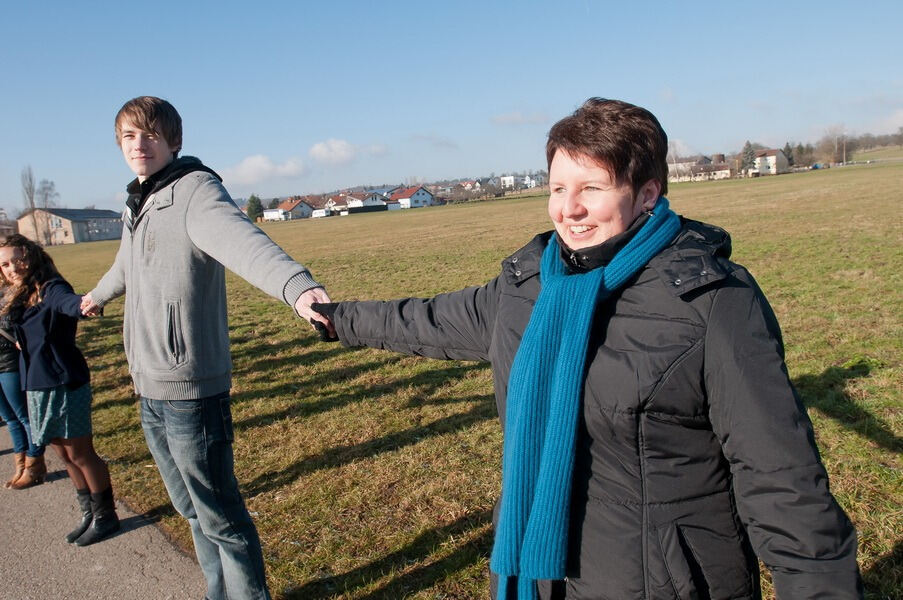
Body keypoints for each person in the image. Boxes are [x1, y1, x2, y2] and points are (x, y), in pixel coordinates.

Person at [311, 99, 863, 599]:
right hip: (537, 570)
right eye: (557, 188)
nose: (567, 209)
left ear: (647, 194)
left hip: (656, 580)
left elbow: (780, 476)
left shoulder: (710, 300)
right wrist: (339, 319)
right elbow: (427, 321)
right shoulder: (527, 288)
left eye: (592, 189)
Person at [80, 96, 331, 600]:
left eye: (151, 134)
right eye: (129, 136)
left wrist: (297, 287)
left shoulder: (194, 191)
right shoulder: (140, 201)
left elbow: (244, 241)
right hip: (148, 385)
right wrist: (95, 296)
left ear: (174, 142)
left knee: (220, 516)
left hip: (190, 388)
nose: (139, 144)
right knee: (192, 510)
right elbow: (126, 267)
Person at [0, 235, 119, 546]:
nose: (11, 268)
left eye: (16, 260)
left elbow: (68, 303)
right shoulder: (20, 295)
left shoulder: (50, 287)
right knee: (64, 454)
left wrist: (85, 306)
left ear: (31, 256)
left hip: (64, 381)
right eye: (4, 264)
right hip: (37, 384)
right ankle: (88, 512)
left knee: (80, 453)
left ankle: (106, 516)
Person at [0, 258, 46, 490]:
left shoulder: (16, 293)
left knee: (25, 417)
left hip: (9, 362)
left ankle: (34, 465)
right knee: (9, 418)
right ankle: (20, 465)